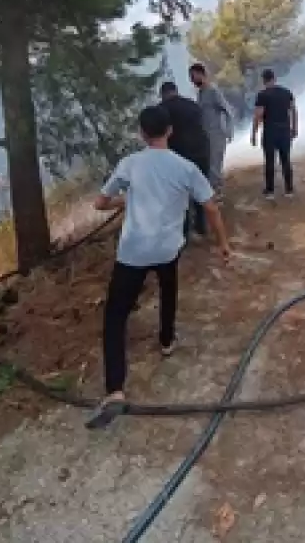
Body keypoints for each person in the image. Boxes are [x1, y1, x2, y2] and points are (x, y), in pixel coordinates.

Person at [89, 105, 231, 416]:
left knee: (115, 315)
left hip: (133, 250)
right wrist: (223, 244)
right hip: (167, 248)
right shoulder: (185, 168)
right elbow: (210, 208)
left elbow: (100, 203)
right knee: (168, 287)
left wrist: (125, 199)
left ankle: (115, 389)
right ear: (170, 131)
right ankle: (166, 341)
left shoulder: (130, 164)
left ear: (141, 133)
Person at [159, 81, 211, 238]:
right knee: (200, 190)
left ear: (163, 94)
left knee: (179, 194)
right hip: (201, 151)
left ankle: (184, 231)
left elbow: (161, 136)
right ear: (176, 91)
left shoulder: (161, 110)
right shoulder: (193, 105)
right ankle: (201, 225)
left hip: (180, 155)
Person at [251, 68, 297, 199]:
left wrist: (253, 133)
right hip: (285, 130)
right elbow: (294, 110)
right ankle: (289, 190)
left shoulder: (262, 95)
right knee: (286, 160)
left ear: (264, 80)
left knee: (270, 160)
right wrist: (294, 128)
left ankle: (270, 191)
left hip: (270, 131)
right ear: (274, 78)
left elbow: (258, 115)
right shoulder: (286, 92)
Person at [189, 63, 234, 196]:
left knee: (215, 165)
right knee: (208, 165)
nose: (192, 80)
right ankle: (213, 193)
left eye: (193, 76)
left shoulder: (213, 91)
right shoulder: (201, 93)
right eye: (190, 77)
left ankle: (217, 193)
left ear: (202, 74)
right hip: (205, 135)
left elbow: (227, 110)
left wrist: (229, 131)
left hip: (216, 134)